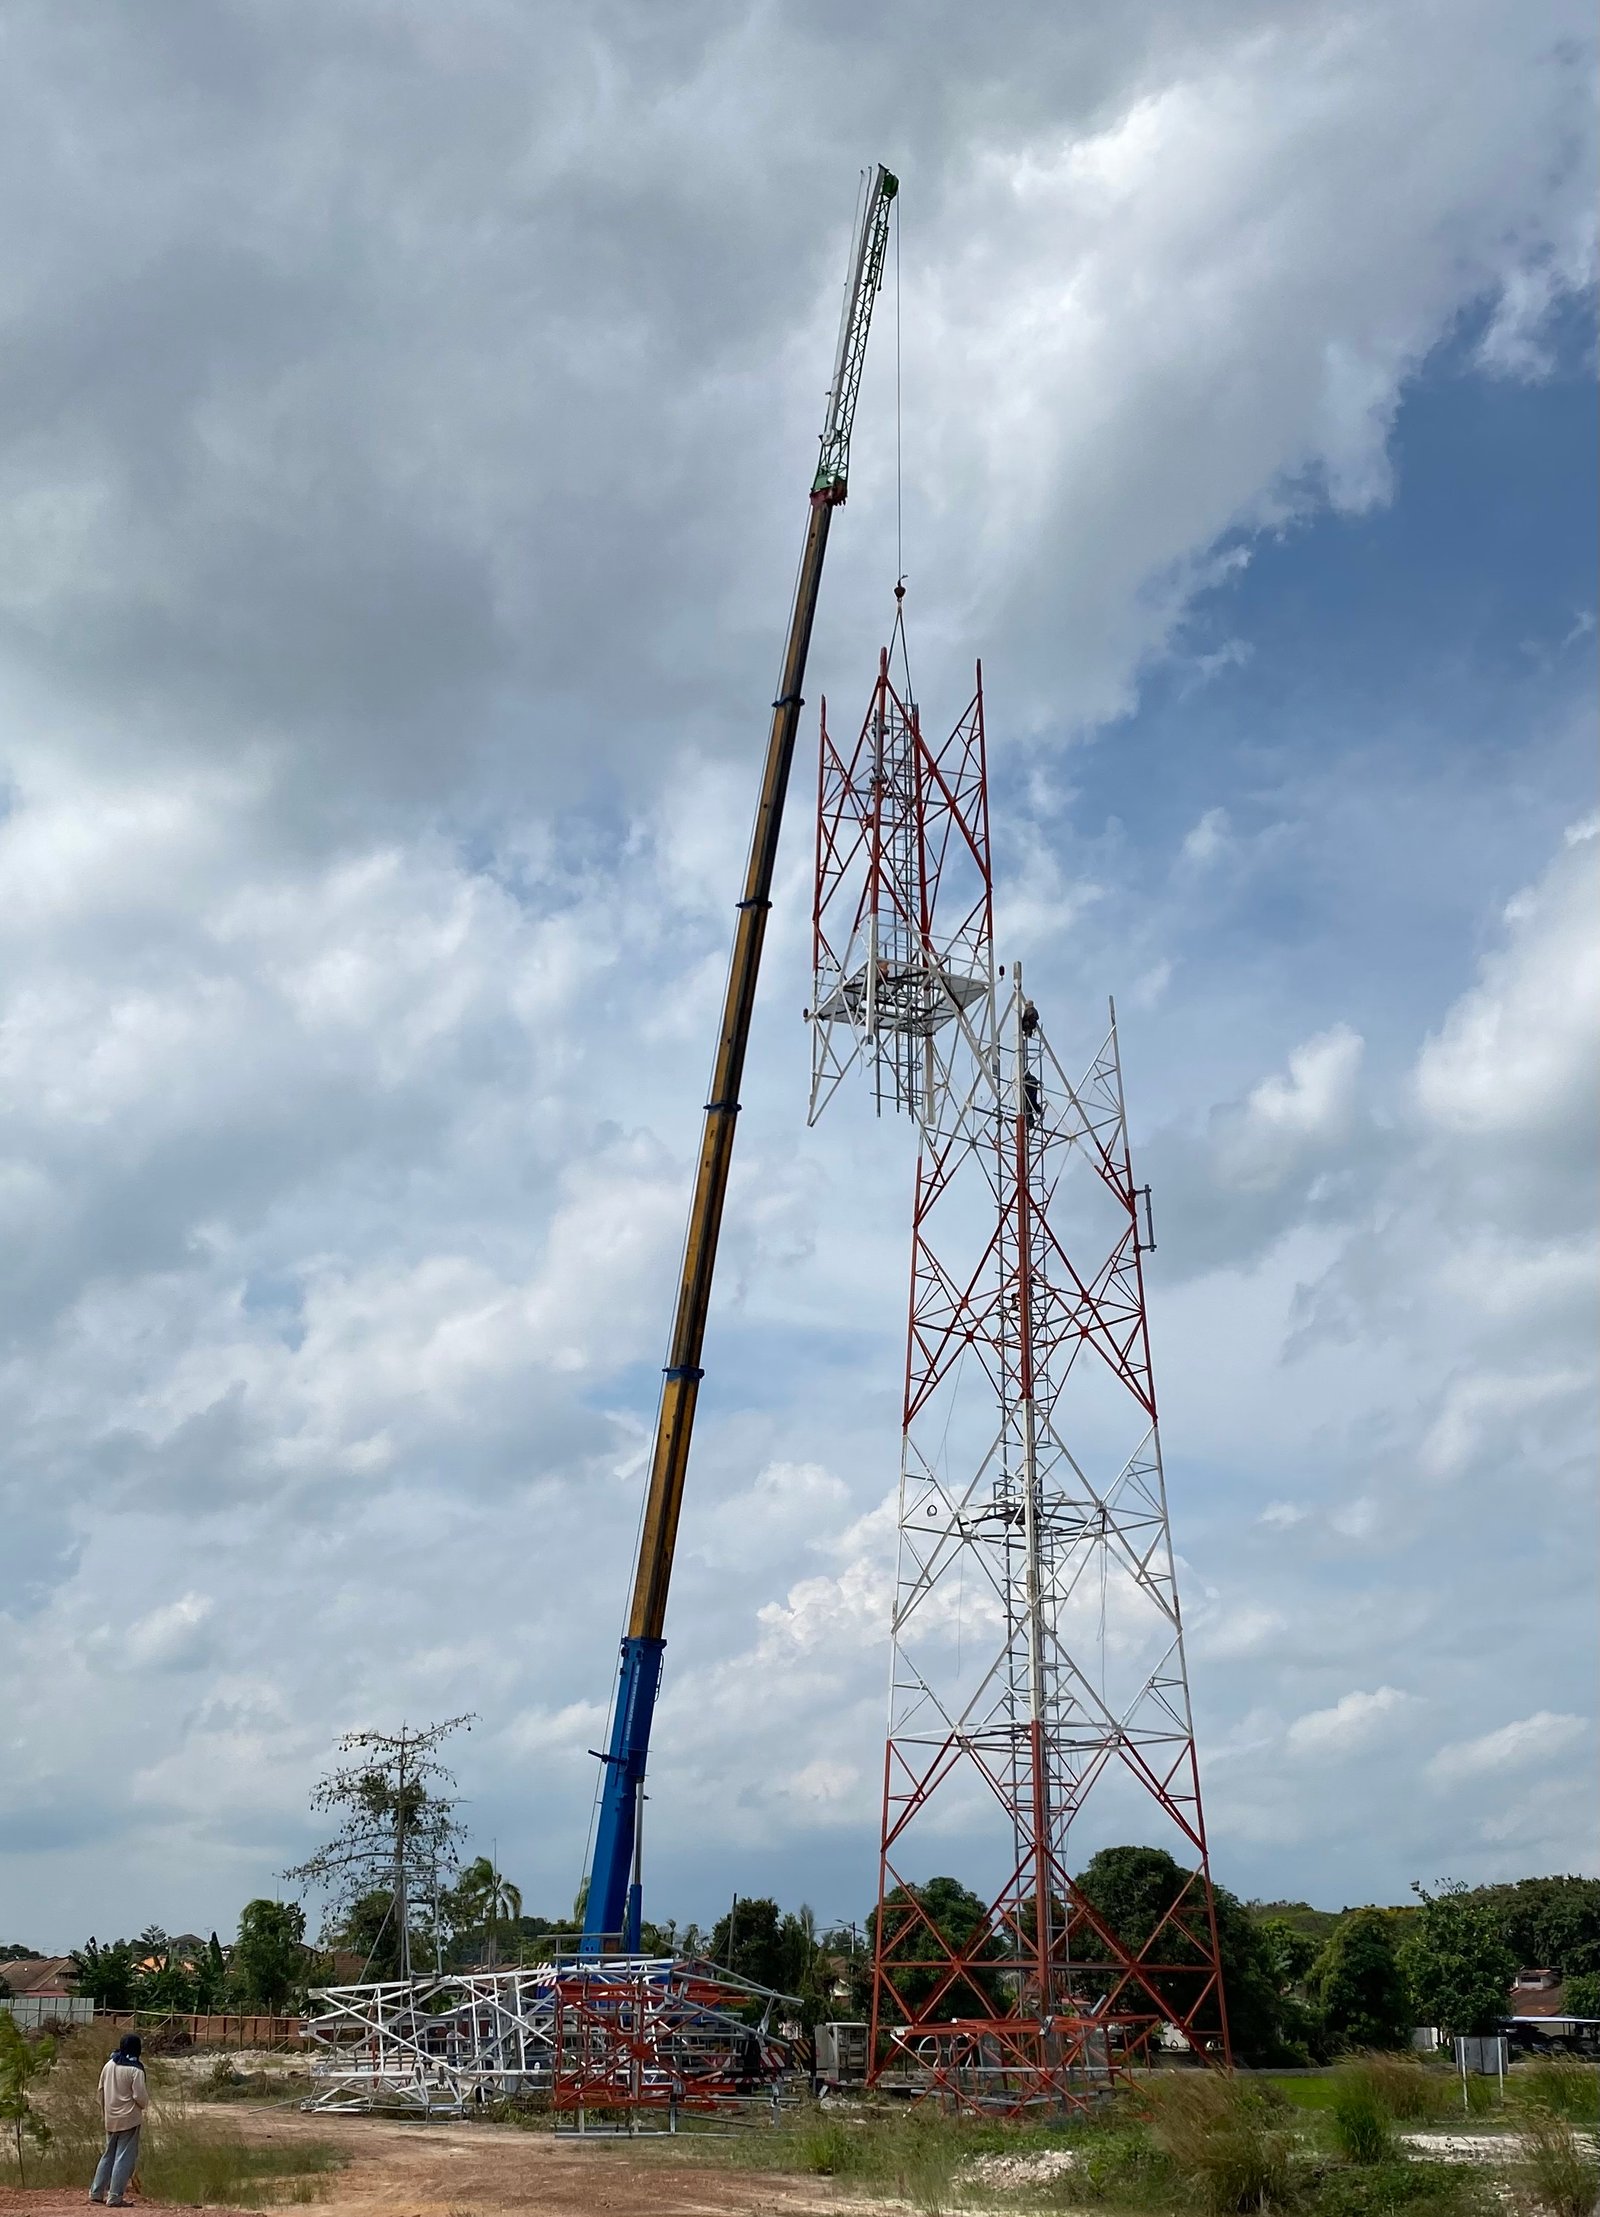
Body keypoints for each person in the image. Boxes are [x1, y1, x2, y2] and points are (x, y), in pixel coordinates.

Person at [89, 2032, 148, 2207]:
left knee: (108, 2155)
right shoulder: (136, 2070)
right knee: (124, 2157)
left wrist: (105, 2112)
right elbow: (140, 2098)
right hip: (129, 2119)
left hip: (111, 2117)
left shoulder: (109, 2065)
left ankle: (96, 2192)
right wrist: (143, 2105)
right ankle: (115, 2197)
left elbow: (100, 2091)